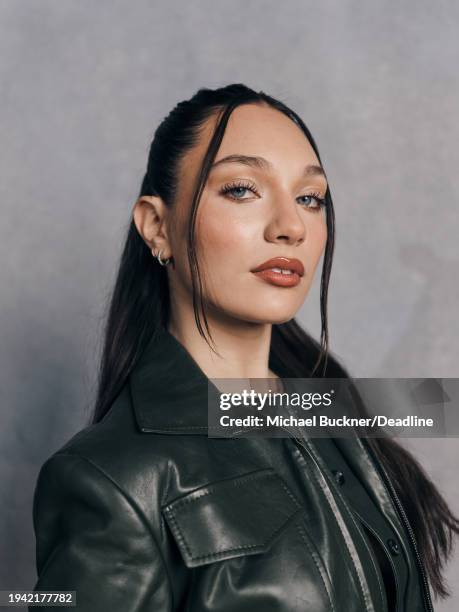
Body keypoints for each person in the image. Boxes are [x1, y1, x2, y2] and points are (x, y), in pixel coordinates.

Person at [30, 83, 459, 611]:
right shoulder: (112, 478)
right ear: (156, 227)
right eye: (241, 189)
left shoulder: (337, 419)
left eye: (310, 198)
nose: (290, 226)